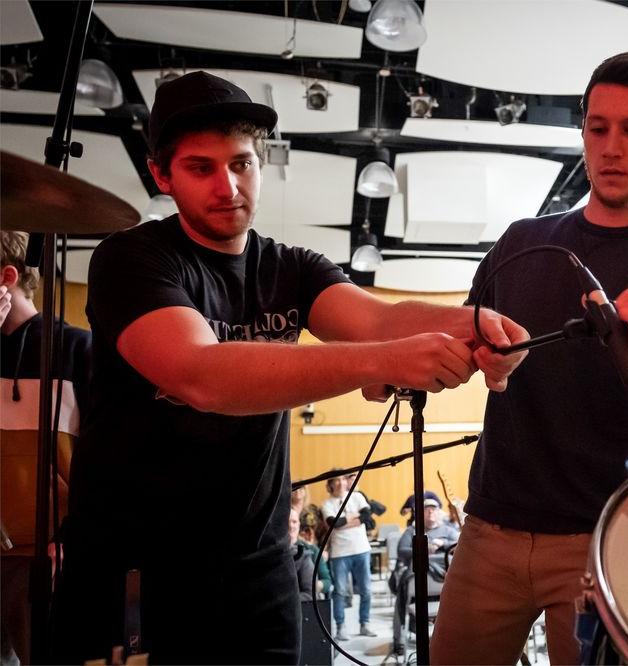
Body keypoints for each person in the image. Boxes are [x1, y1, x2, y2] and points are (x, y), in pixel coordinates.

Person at [52, 71, 526, 664]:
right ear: (162, 175)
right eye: (202, 168)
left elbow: (379, 322)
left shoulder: (291, 267)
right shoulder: (133, 259)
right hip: (138, 574)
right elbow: (202, 375)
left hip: (259, 574)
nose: (228, 186)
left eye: (242, 163)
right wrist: (385, 361)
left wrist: (481, 325)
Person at [429, 50, 628, 665]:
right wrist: (468, 355)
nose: (611, 147)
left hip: (603, 542)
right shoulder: (523, 242)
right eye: (597, 129)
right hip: (488, 531)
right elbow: (468, 335)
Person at [1, 230, 91, 665]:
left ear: (7, 277)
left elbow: (110, 464)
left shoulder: (78, 349)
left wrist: (72, 541)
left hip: (46, 562)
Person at [392, 498, 460, 655]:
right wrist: (423, 549)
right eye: (426, 509)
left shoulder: (448, 530)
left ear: (438, 512)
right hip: (417, 581)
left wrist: (441, 544)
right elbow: (402, 551)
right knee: (402, 594)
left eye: (433, 509)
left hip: (445, 585)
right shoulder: (412, 531)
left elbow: (460, 544)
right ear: (419, 513)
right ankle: (399, 640)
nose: (430, 512)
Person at [322, 473, 375, 640]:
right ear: (330, 485)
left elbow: (366, 517)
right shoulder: (326, 504)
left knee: (366, 590)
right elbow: (334, 524)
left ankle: (364, 623)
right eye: (335, 480)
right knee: (340, 591)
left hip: (361, 550)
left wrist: (344, 522)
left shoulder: (357, 497)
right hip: (340, 553)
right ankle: (340, 626)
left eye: (342, 479)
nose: (340, 483)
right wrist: (353, 518)